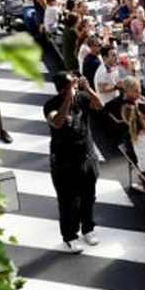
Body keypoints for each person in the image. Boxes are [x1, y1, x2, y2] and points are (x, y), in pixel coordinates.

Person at [44, 71, 104, 253]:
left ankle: (88, 228)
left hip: (86, 157)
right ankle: (70, 236)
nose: (76, 87)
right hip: (63, 162)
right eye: (72, 84)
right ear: (62, 88)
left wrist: (88, 89)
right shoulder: (51, 105)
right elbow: (57, 122)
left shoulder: (82, 97)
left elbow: (99, 105)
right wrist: (68, 99)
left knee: (88, 196)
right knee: (68, 202)